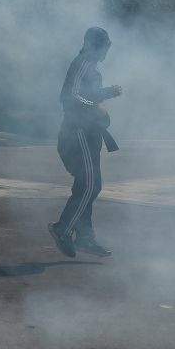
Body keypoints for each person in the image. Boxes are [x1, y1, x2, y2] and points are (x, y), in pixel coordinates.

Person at [48, 27, 122, 258]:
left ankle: (85, 238)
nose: (107, 51)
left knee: (85, 185)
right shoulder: (83, 62)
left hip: (86, 135)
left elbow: (86, 94)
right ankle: (63, 229)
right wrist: (99, 102)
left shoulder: (89, 66)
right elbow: (69, 96)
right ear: (95, 45)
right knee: (91, 185)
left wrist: (104, 95)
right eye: (105, 46)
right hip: (77, 133)